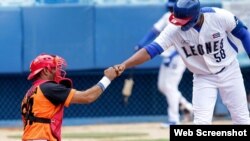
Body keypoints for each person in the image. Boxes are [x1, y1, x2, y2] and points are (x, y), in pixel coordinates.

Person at [114, 0, 250, 124]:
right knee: (201, 122)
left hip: (229, 70)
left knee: (241, 118)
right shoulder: (173, 28)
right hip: (203, 77)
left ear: (196, 16)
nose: (178, 22)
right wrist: (124, 64)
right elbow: (151, 50)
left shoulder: (219, 16)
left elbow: (244, 34)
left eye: (183, 19)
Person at [21, 53, 118, 141]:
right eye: (55, 68)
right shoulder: (49, 87)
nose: (58, 71)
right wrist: (107, 78)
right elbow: (88, 97)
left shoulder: (30, 92)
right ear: (46, 71)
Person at [135, 0, 192, 126]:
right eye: (170, 8)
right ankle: (188, 107)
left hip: (178, 58)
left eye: (173, 8)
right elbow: (154, 31)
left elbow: (187, 42)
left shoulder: (186, 20)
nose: (171, 10)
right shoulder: (167, 17)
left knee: (170, 87)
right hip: (167, 57)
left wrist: (172, 55)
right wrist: (141, 43)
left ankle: (174, 120)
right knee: (162, 86)